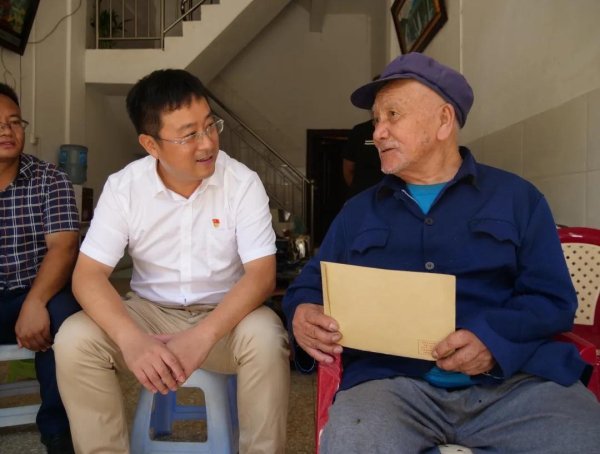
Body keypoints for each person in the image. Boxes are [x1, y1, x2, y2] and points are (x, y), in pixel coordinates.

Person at [283, 53, 600, 453]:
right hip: (391, 387)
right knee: (355, 439)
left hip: (516, 382)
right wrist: (302, 312)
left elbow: (553, 299)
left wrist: (492, 340)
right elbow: (311, 284)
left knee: (583, 436)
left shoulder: (518, 199)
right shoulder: (357, 211)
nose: (378, 132)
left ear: (444, 120)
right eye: (376, 120)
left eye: (392, 115)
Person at [53, 70, 290, 454]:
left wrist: (203, 336)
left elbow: (261, 276)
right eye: (188, 135)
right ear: (151, 144)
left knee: (267, 337)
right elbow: (88, 275)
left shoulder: (241, 182)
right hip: (149, 314)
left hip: (226, 319)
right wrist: (131, 340)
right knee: (74, 339)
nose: (207, 143)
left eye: (210, 126)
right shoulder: (125, 187)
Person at [0, 83, 80, 454]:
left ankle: (58, 430)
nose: (7, 130)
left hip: (36, 293)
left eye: (14, 121)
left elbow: (64, 247)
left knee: (67, 318)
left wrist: (34, 302)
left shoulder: (51, 179)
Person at [342, 77, 384, 199]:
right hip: (362, 194)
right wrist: (360, 194)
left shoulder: (401, 131)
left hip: (392, 197)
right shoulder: (359, 131)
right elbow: (348, 169)